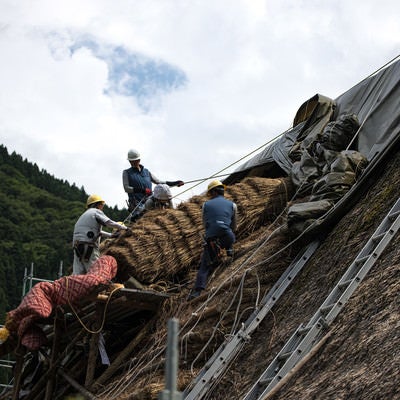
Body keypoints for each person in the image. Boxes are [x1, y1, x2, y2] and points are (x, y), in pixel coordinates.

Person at [0, 255, 118, 352]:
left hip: (56, 290)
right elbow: (34, 339)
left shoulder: (23, 324)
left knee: (94, 279)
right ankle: (107, 279)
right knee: (95, 279)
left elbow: (33, 307)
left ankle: (106, 278)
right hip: (62, 290)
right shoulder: (23, 326)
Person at [188, 180, 237, 300]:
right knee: (229, 236)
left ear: (214, 192)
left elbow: (205, 224)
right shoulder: (233, 205)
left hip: (212, 239)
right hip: (228, 237)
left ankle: (198, 291)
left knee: (204, 265)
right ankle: (229, 250)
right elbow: (234, 225)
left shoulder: (206, 205)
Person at [72, 194, 129, 275]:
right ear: (98, 204)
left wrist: (111, 235)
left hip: (77, 247)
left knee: (78, 274)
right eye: (102, 204)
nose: (102, 207)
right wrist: (125, 228)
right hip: (89, 247)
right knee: (94, 273)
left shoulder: (85, 215)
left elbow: (98, 232)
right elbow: (109, 222)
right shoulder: (96, 212)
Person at [122, 149, 184, 220]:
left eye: (134, 160)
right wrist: (142, 190)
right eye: (130, 161)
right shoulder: (126, 173)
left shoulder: (146, 172)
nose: (132, 162)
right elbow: (126, 188)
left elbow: (158, 181)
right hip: (137, 204)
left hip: (150, 201)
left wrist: (175, 183)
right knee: (140, 219)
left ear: (139, 160)